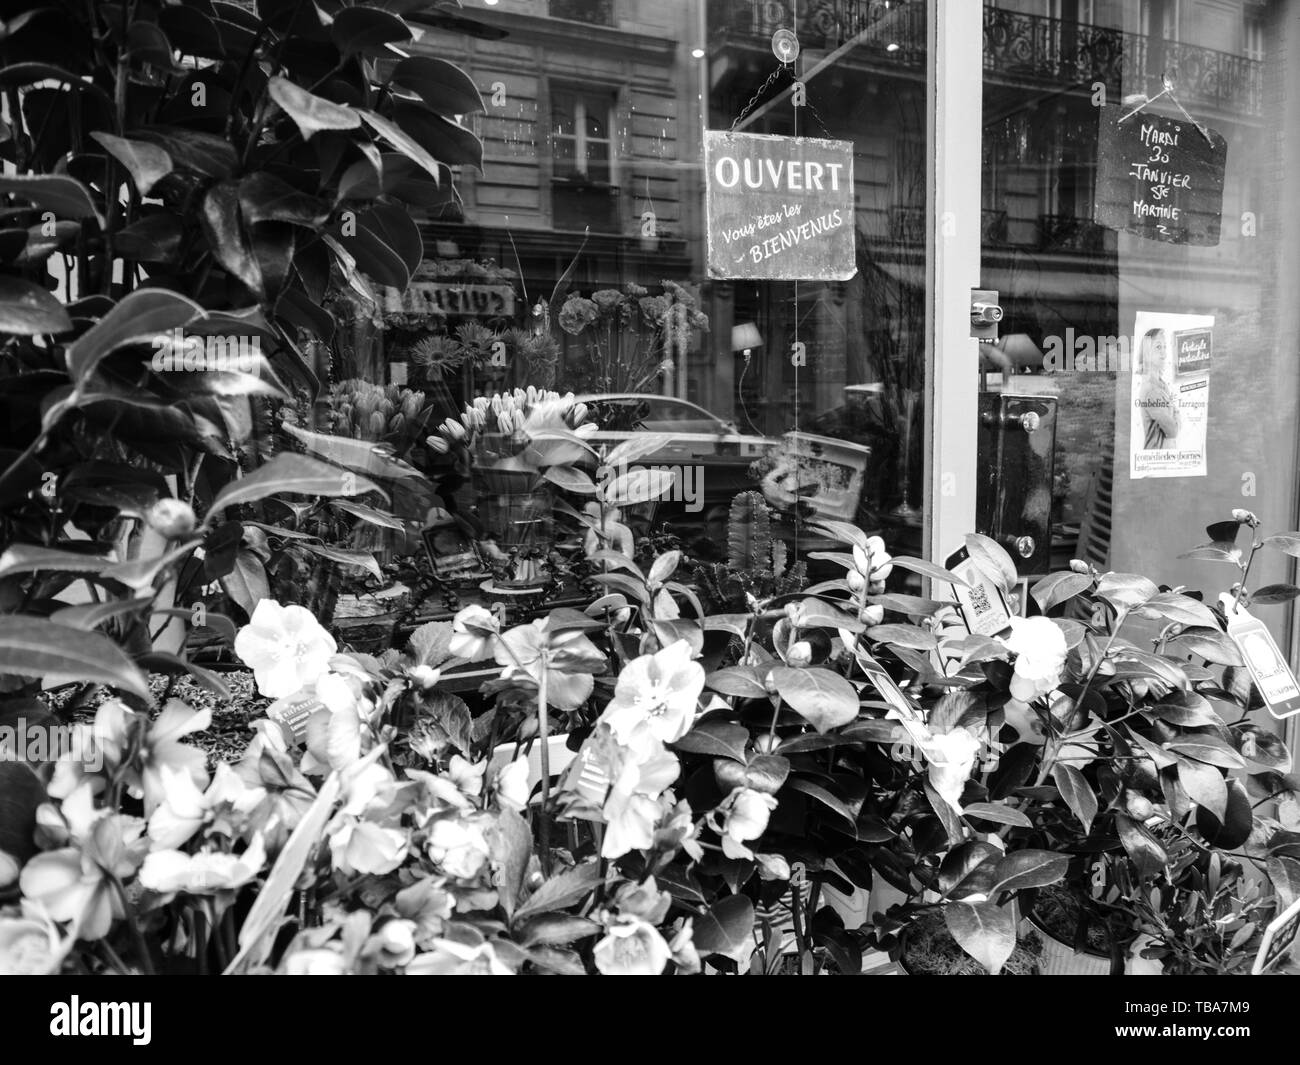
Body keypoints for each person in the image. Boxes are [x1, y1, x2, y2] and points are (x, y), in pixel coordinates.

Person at [1137, 328, 1180, 450]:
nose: (1164, 353)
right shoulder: (1151, 391)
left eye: (1165, 347)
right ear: (1147, 353)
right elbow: (1173, 431)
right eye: (1158, 347)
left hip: (1165, 458)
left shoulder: (1162, 385)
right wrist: (1177, 416)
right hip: (1156, 459)